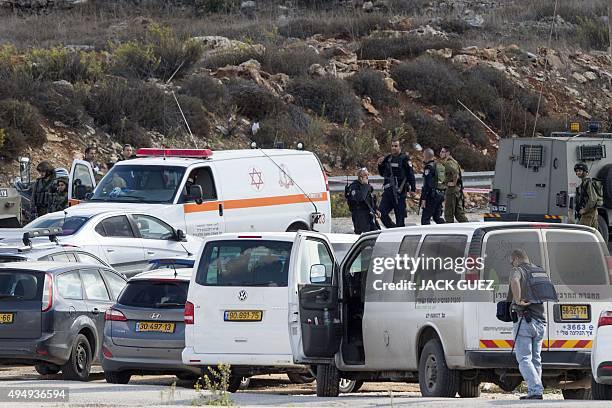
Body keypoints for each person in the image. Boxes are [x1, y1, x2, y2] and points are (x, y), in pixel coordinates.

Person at [508, 249, 546, 400]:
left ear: (517, 259)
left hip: (525, 320)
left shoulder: (518, 270)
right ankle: (534, 391)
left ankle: (536, 389)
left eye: (512, 261)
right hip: (541, 321)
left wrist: (518, 300)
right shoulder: (539, 271)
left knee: (524, 359)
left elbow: (515, 280)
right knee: (536, 359)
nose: (511, 264)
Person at [377, 139, 416, 228]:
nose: (394, 148)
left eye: (396, 146)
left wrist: (413, 189)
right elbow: (382, 173)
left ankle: (400, 235)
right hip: (388, 193)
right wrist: (379, 165)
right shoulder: (388, 158)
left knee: (400, 219)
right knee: (381, 213)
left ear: (400, 147)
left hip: (400, 193)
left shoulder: (405, 159)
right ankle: (393, 230)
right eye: (392, 146)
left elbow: (410, 174)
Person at [345, 168, 380, 234]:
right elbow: (360, 198)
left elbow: (371, 199)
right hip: (360, 216)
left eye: (368, 175)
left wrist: (376, 209)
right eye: (365, 175)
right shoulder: (354, 187)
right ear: (360, 177)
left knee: (376, 234)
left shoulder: (367, 186)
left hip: (369, 215)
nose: (367, 177)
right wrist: (365, 186)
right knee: (364, 235)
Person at [440, 146, 468, 223]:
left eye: (442, 152)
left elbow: (455, 173)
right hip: (457, 190)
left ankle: (450, 231)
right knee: (459, 213)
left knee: (448, 213)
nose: (440, 153)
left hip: (452, 190)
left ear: (447, 153)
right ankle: (467, 227)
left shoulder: (448, 162)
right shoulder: (454, 161)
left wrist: (453, 183)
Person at [420, 148, 445, 225]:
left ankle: (427, 234)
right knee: (437, 217)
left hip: (431, 196)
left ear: (426, 156)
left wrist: (424, 199)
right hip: (440, 194)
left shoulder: (428, 168)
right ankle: (446, 230)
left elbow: (427, 185)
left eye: (423, 155)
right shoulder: (437, 165)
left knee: (425, 219)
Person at [574, 162, 599, 229]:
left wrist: (585, 210)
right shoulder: (583, 183)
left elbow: (593, 199)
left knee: (582, 232)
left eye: (580, 171)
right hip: (590, 213)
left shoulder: (588, 183)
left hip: (589, 213)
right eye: (577, 171)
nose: (578, 173)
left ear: (585, 172)